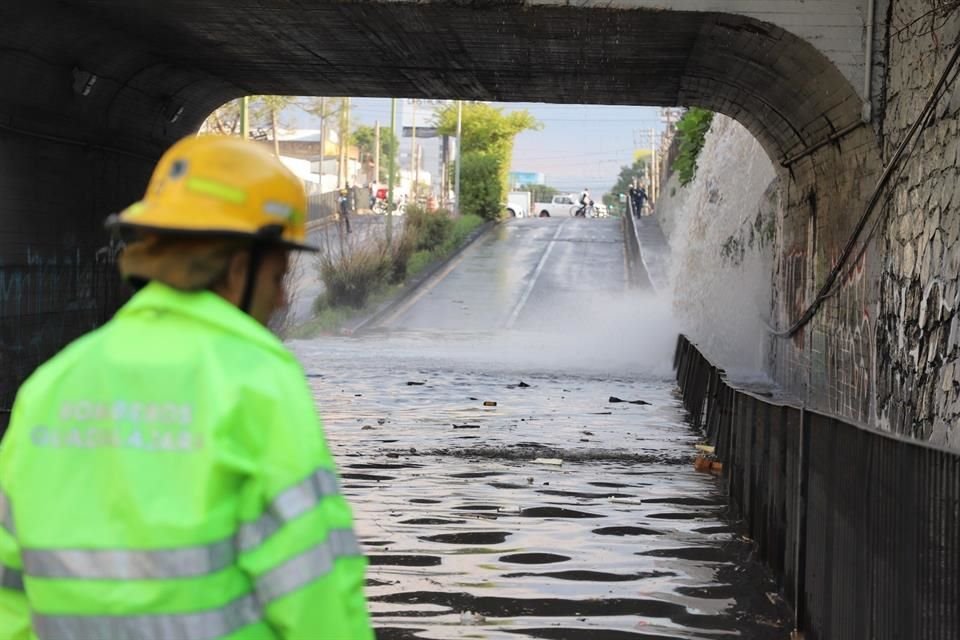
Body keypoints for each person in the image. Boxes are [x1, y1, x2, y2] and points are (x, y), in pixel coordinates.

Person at [0, 136, 373, 639]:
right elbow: (316, 591)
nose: (283, 298)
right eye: (279, 274)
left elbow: (10, 590)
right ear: (240, 266)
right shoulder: (256, 381)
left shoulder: (52, 384)